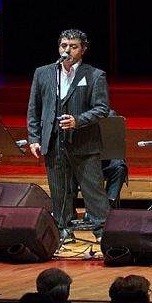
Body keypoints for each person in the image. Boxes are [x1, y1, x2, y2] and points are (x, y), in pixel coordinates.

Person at [27, 29, 110, 242]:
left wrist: (78, 121)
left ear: (83, 49)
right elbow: (34, 108)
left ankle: (103, 232)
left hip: (84, 142)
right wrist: (34, 138)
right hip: (53, 141)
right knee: (59, 190)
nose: (67, 50)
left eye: (73, 46)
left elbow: (102, 108)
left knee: (93, 190)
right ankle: (63, 230)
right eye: (64, 45)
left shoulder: (94, 75)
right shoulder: (43, 73)